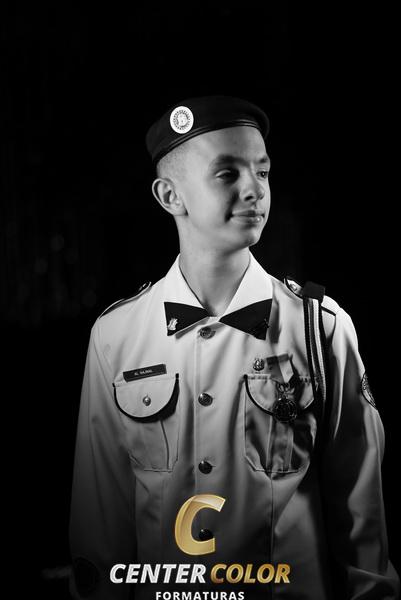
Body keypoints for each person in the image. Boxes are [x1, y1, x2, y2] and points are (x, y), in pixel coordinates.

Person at [69, 96, 399, 599]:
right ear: (170, 196)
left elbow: (363, 519)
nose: (255, 189)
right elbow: (101, 522)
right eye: (228, 173)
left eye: (262, 172)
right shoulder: (116, 335)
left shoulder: (321, 328)